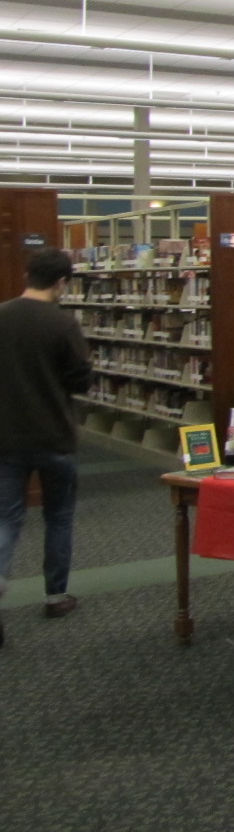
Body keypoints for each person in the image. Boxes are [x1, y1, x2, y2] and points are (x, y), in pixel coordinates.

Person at [0, 248, 93, 648]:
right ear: (61, 282)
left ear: (27, 275)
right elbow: (80, 380)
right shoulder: (63, 324)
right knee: (58, 516)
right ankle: (56, 596)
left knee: (7, 519)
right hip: (55, 435)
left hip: (5, 437)